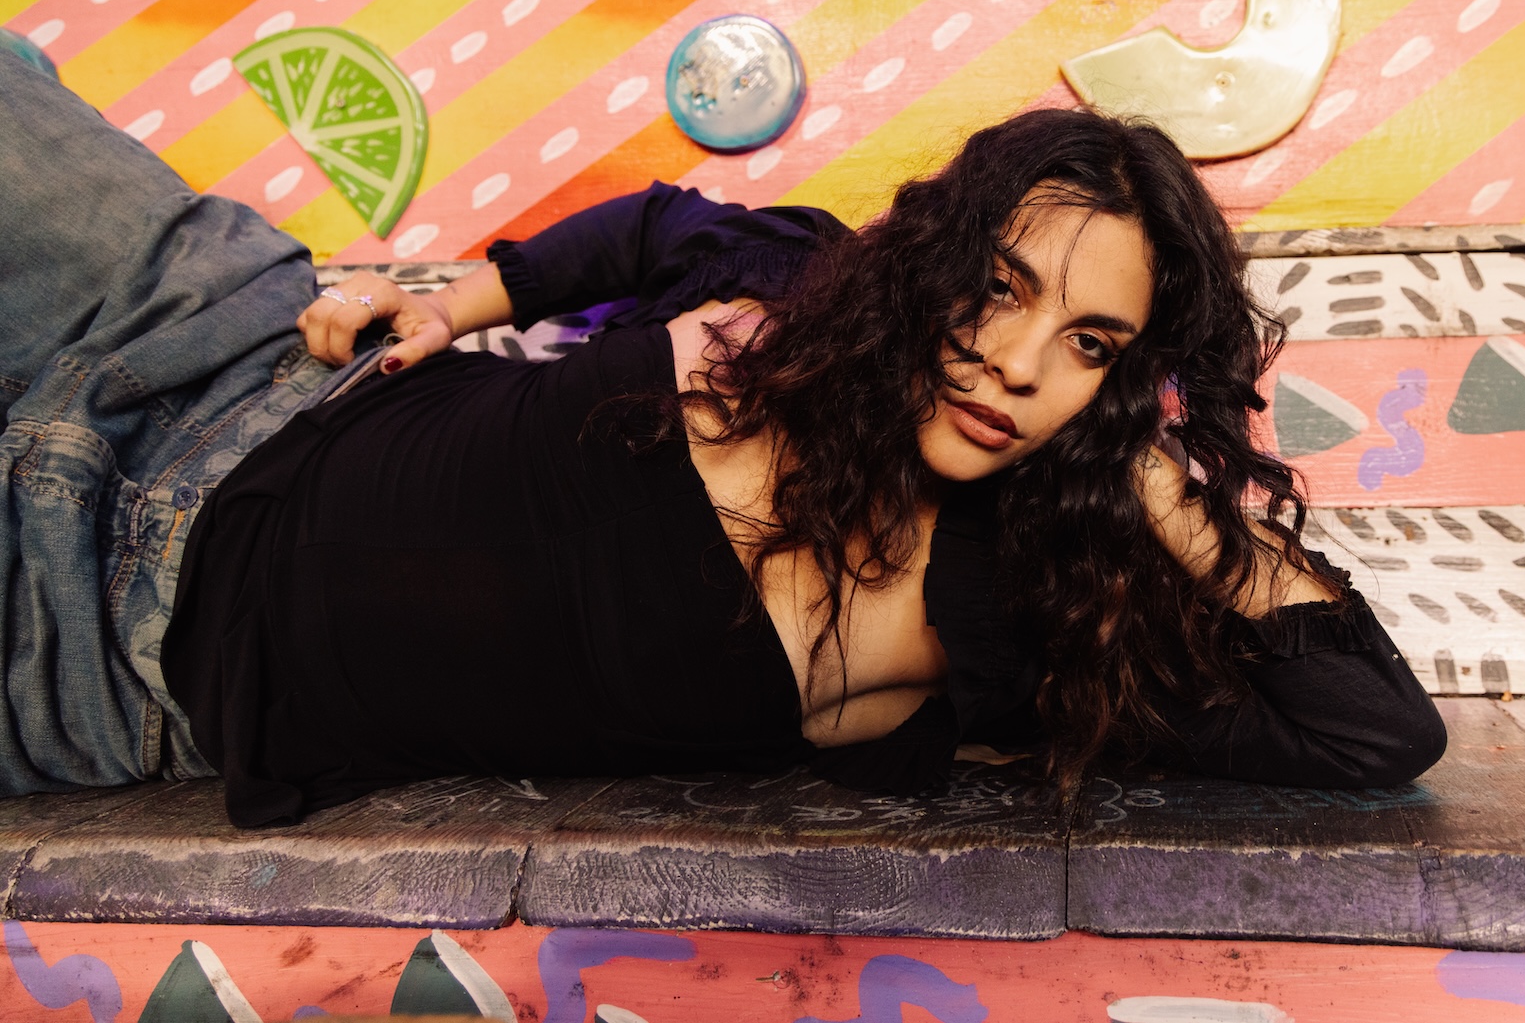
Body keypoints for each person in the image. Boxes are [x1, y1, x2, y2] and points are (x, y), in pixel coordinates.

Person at [0, 46, 1445, 826]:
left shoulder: (1006, 618)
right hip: (226, 338)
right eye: (1003, 286)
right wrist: (453, 297)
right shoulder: (807, 291)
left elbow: (1376, 730)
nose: (1016, 362)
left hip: (103, 647)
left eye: (1090, 344)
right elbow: (647, 228)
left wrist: (1153, 476)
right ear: (938, 253)